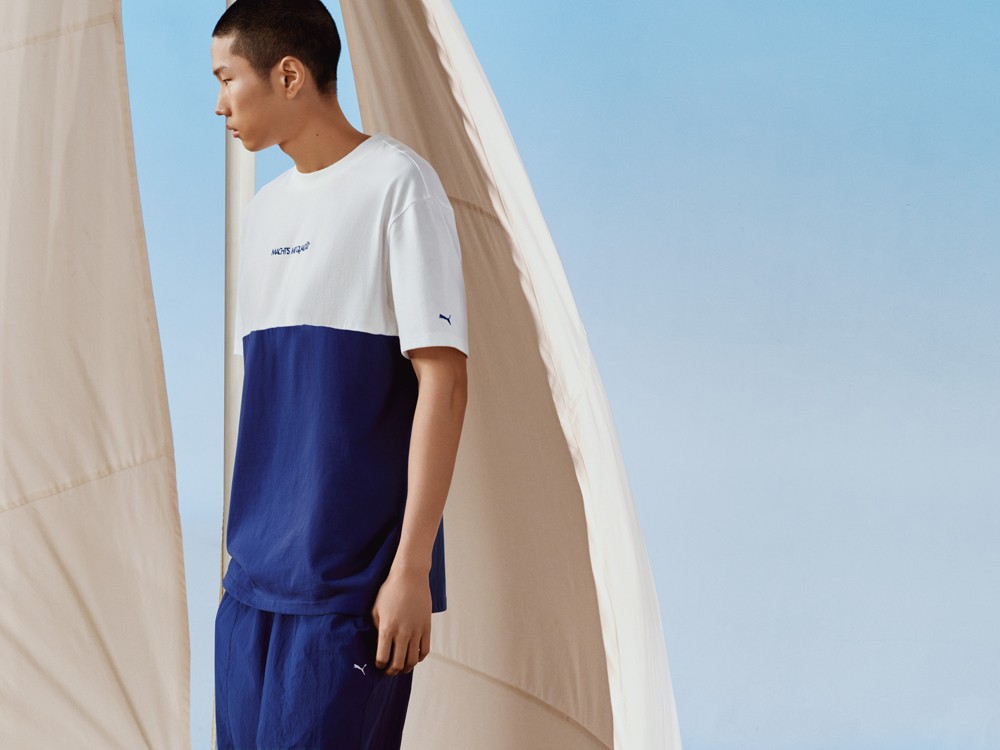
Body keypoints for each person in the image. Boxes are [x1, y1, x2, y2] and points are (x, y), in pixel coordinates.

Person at [209, 1, 470, 747]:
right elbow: (275, 406)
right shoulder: (263, 213)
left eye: (227, 78)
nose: (219, 104)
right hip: (251, 590)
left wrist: (411, 570)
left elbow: (445, 384)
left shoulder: (399, 187)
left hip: (350, 593)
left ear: (288, 75)